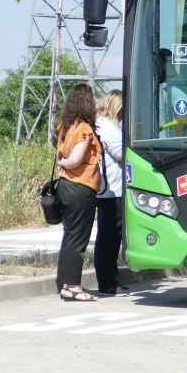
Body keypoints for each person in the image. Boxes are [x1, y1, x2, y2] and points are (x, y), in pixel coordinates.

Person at [55, 84, 104, 302]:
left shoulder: (65, 127)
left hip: (65, 187)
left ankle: (64, 283)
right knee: (78, 239)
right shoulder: (84, 129)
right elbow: (75, 159)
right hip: (80, 187)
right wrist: (65, 162)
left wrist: (61, 163)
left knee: (69, 236)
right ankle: (73, 286)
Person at [94, 90, 126, 296]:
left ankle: (110, 279)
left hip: (106, 189)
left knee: (108, 237)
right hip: (112, 190)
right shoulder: (109, 127)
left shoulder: (100, 123)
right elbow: (122, 154)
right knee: (109, 238)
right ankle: (107, 282)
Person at [157, 47, 187, 137]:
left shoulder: (174, 91)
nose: (173, 66)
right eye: (170, 62)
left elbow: (181, 124)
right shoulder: (172, 92)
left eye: (173, 62)